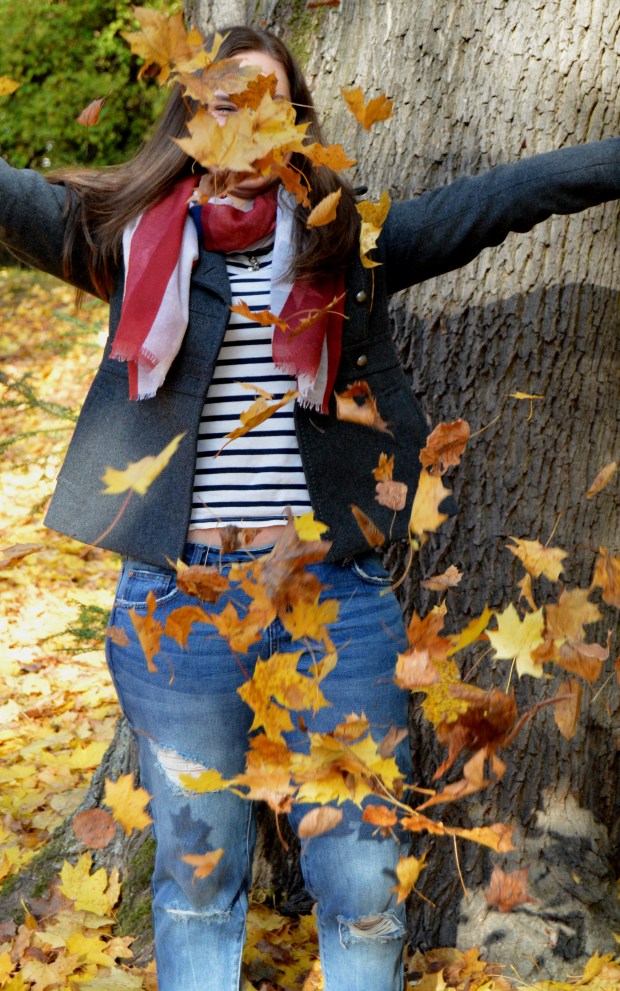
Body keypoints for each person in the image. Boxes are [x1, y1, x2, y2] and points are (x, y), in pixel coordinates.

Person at [1, 22, 619, 991]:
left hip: (335, 603)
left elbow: (505, 199)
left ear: (297, 127)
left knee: (364, 881)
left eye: (268, 107)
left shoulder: (349, 241)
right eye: (221, 104)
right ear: (187, 122)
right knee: (197, 876)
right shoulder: (123, 239)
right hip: (177, 605)